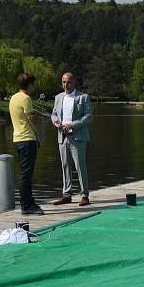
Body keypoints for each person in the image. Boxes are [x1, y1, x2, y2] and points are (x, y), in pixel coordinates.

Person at [50, 72, 93, 206]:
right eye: (63, 82)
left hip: (78, 137)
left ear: (74, 82)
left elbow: (88, 116)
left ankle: (84, 195)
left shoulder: (83, 97)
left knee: (80, 166)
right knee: (65, 166)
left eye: (68, 82)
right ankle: (66, 194)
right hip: (62, 137)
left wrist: (72, 125)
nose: (66, 85)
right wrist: (55, 122)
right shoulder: (58, 97)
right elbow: (54, 114)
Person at [9, 72, 44, 215]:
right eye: (32, 84)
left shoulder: (13, 98)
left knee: (25, 173)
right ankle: (26, 206)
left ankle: (29, 202)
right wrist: (39, 136)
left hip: (17, 139)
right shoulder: (26, 98)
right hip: (27, 139)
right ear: (29, 84)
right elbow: (31, 119)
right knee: (26, 174)